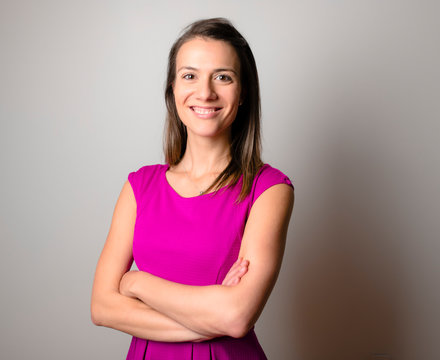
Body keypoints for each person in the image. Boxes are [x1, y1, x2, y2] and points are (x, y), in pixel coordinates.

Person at [91, 18, 294, 359]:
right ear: (172, 89)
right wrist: (209, 319)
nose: (205, 92)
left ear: (243, 92)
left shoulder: (270, 190)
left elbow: (237, 315)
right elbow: (102, 307)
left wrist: (135, 283)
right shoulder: (139, 186)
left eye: (223, 77)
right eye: (189, 75)